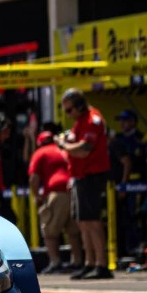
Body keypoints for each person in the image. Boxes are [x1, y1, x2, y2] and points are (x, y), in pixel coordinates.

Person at [56, 88, 113, 280]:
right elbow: (74, 142)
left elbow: (84, 150)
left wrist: (63, 145)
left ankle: (101, 264)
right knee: (83, 222)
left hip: (91, 176)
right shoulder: (80, 122)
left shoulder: (92, 120)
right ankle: (90, 263)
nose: (68, 115)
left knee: (92, 221)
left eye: (70, 110)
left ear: (80, 105)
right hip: (80, 177)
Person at [29, 131, 83, 274]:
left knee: (49, 230)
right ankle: (77, 261)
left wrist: (37, 196)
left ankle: (55, 262)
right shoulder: (65, 149)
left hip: (56, 193)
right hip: (74, 190)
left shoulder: (40, 152)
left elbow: (33, 178)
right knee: (73, 231)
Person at [110, 109, 147, 258]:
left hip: (137, 185)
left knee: (137, 218)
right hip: (119, 185)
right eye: (121, 121)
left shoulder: (142, 139)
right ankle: (124, 250)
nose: (122, 124)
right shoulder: (117, 140)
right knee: (121, 219)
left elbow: (130, 163)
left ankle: (139, 249)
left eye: (125, 121)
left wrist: (125, 185)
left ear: (133, 122)